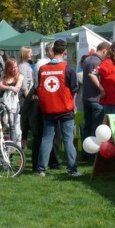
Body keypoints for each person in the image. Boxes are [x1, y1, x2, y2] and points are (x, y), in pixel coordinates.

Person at [36, 39, 81, 177]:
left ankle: (41, 169)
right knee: (68, 139)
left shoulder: (42, 69)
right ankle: (72, 169)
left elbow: (39, 87)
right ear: (65, 52)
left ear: (52, 51)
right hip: (65, 109)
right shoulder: (68, 70)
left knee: (47, 138)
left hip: (48, 109)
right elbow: (74, 89)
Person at [80, 42, 110, 161]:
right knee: (96, 128)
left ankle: (85, 153)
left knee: (87, 127)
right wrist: (101, 89)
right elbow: (93, 76)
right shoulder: (98, 62)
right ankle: (93, 155)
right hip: (96, 99)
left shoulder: (87, 60)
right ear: (104, 51)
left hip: (86, 98)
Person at [0, 58, 24, 145]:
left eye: (16, 67)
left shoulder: (20, 76)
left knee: (12, 127)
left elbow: (17, 89)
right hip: (2, 104)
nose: (15, 69)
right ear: (8, 68)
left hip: (13, 105)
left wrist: (9, 88)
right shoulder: (3, 75)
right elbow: (0, 86)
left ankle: (11, 148)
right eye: (12, 67)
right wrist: (11, 88)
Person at [97, 40, 115, 115]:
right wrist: (101, 89)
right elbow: (92, 74)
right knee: (111, 125)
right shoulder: (108, 62)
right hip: (110, 101)